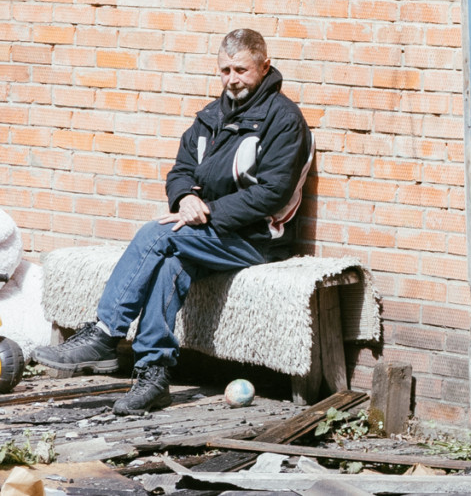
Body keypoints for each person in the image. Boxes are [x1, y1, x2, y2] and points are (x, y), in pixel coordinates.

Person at [43, 29, 313, 414]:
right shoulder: (210, 116)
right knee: (172, 262)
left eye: (241, 69)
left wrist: (209, 211)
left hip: (254, 239)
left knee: (158, 234)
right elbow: (180, 170)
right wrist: (186, 198)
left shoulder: (283, 120)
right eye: (224, 70)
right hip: (204, 232)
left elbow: (273, 193)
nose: (232, 79)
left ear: (264, 66)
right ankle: (154, 375)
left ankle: (106, 333)